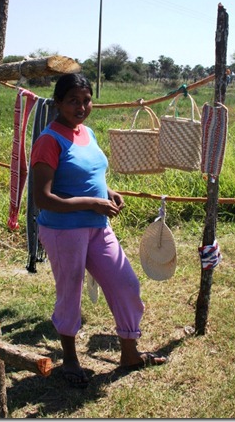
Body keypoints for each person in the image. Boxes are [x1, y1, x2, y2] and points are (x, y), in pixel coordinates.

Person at [31, 73, 167, 388]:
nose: (81, 107)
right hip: (64, 231)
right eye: (73, 101)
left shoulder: (87, 132)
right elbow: (43, 198)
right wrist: (92, 203)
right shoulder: (49, 140)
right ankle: (71, 360)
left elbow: (89, 173)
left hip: (96, 226)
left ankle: (130, 354)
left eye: (86, 100)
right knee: (70, 293)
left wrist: (107, 192)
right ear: (58, 103)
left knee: (126, 285)